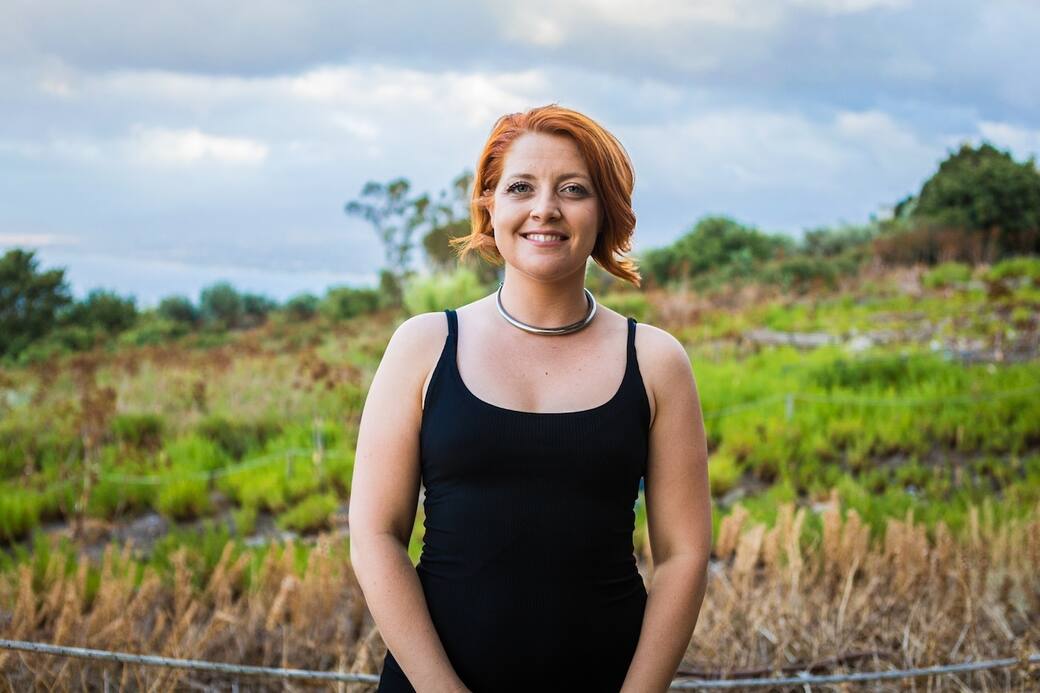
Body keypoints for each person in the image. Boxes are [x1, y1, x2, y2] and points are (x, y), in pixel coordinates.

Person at [348, 104, 712, 692]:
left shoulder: (655, 361)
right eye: (521, 187)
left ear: (605, 211)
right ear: (489, 205)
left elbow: (683, 555)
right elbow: (374, 537)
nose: (545, 208)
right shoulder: (423, 346)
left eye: (573, 189)